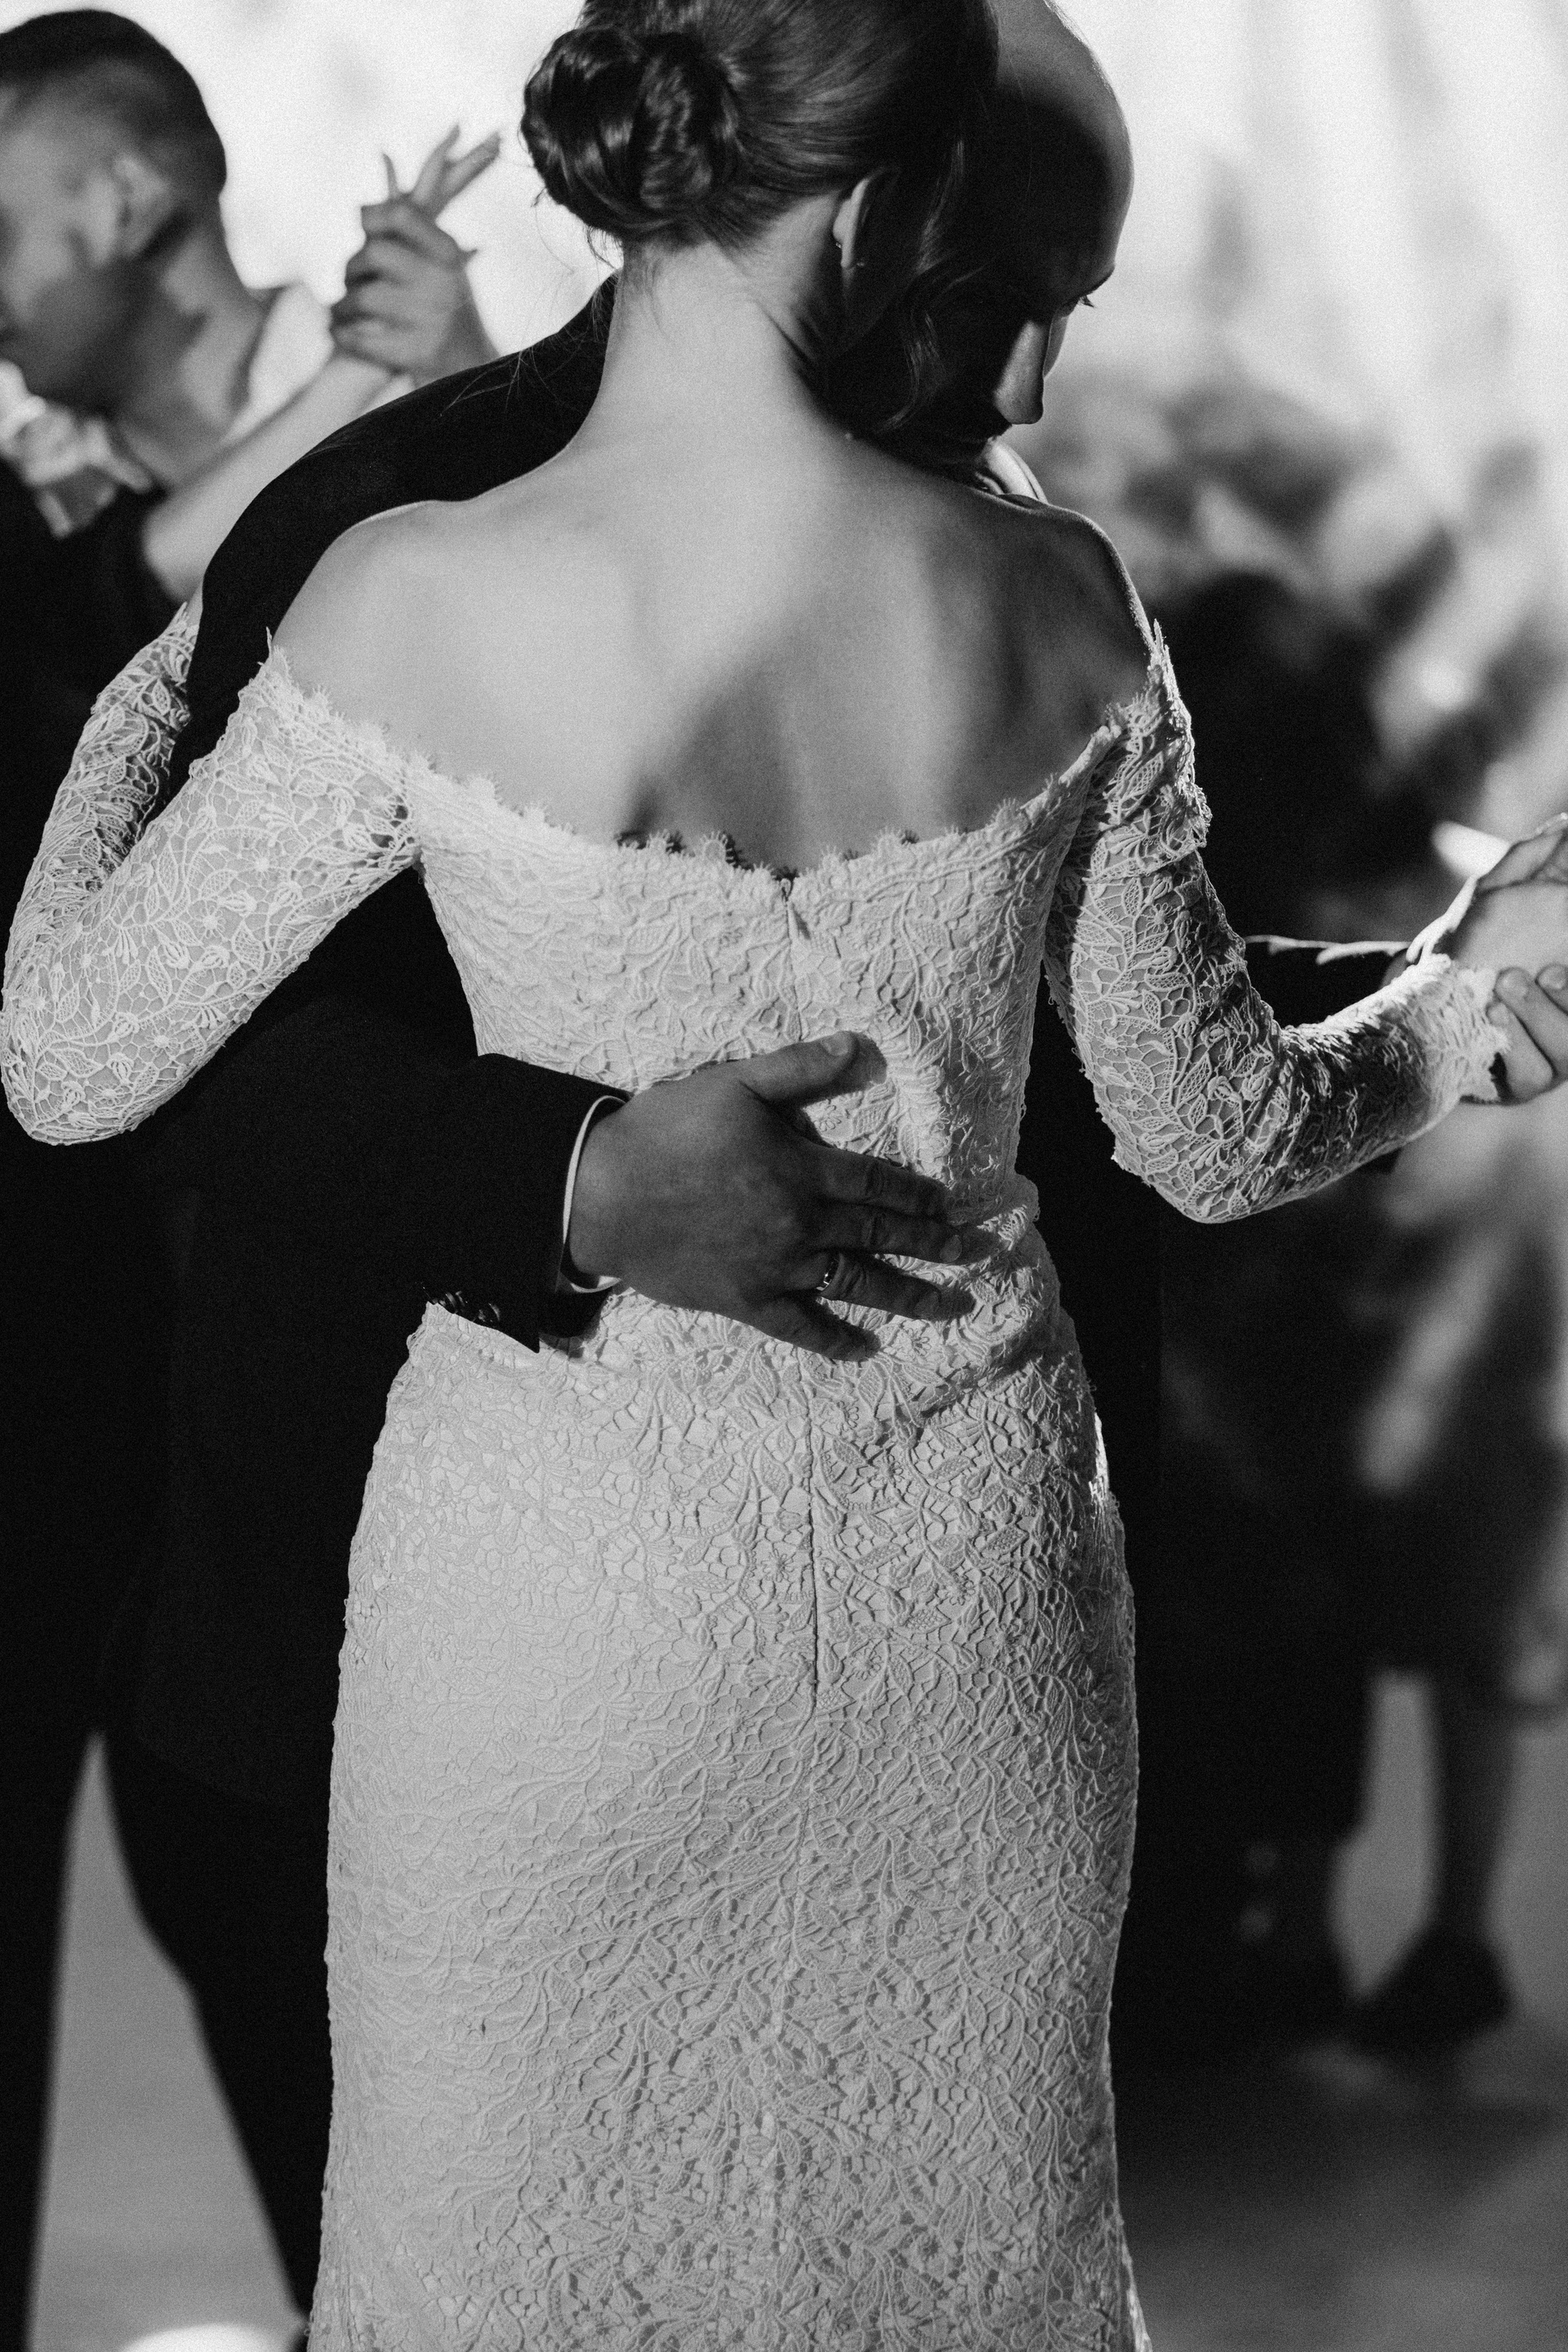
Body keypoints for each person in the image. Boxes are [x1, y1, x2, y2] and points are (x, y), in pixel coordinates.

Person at [14, 2, 1568, 2341]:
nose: (1034, 372)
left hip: (544, 1617)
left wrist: (144, 680)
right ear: (878, 212)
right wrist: (1453, 1011)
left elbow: (67, 1059)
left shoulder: (402, 587)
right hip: (963, 1608)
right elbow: (1215, 1123)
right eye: (1006, 275)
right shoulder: (1055, 600)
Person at [0, 10, 501, 2336]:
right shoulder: (67, 512)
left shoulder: (458, 427)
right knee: (209, 1888)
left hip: (381, 1328)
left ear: (125, 200)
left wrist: (460, 408)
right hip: (94, 1379)